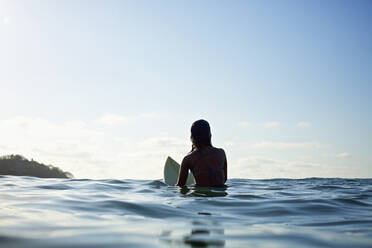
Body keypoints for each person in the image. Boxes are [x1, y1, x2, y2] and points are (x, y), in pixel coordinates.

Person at [176, 120, 227, 187]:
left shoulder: (188, 159)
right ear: (210, 135)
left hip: (200, 195)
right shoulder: (221, 153)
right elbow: (225, 179)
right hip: (220, 193)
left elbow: (180, 185)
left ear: (192, 137)